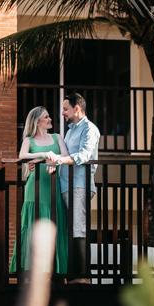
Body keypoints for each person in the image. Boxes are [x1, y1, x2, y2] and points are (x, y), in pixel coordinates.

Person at [10, 106, 69, 274]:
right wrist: (44, 154)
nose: (50, 119)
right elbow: (22, 156)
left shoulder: (57, 137)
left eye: (49, 116)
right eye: (46, 117)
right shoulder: (29, 140)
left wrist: (54, 158)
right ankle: (31, 268)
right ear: (37, 122)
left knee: (53, 222)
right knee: (33, 223)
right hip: (34, 187)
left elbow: (65, 156)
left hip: (52, 186)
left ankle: (54, 268)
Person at [53, 93, 99, 284]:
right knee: (69, 230)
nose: (63, 113)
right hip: (65, 186)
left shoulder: (89, 129)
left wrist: (60, 160)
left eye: (65, 109)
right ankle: (69, 276)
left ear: (76, 109)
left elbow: (85, 155)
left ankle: (82, 278)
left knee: (78, 229)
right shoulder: (70, 131)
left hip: (78, 185)